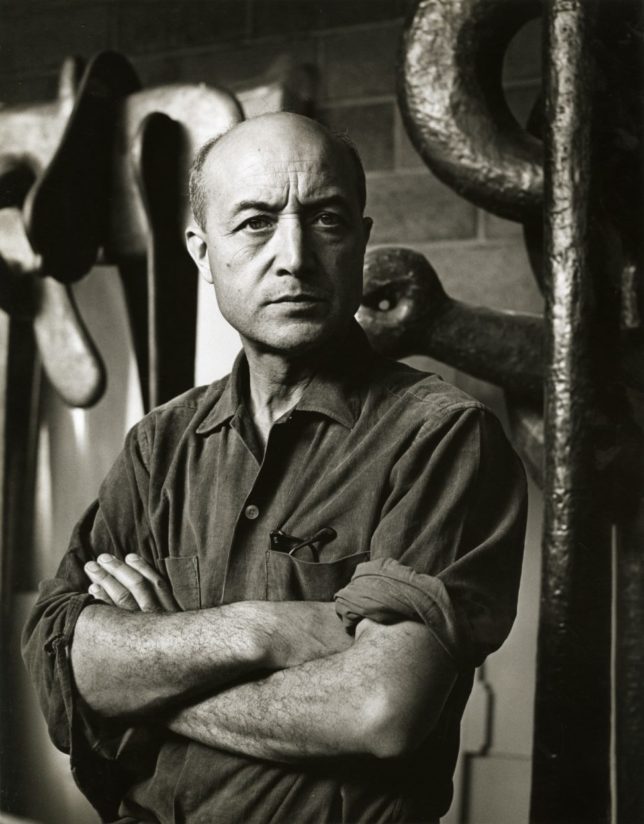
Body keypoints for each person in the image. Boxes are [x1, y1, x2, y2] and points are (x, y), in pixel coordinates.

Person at [23, 112, 527, 824]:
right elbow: (60, 660)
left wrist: (151, 682)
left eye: (327, 220)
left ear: (361, 241)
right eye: (256, 222)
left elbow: (379, 709)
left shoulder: (440, 438)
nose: (295, 256)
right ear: (203, 253)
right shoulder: (159, 445)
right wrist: (262, 629)